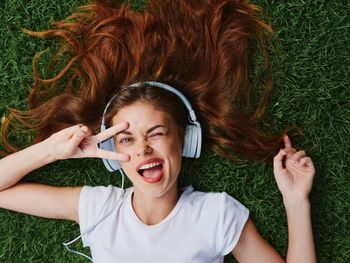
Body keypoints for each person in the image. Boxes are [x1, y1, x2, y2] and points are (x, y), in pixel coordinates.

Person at [0, 0, 317, 262]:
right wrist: (52, 151)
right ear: (112, 155)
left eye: (156, 133)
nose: (142, 149)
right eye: (126, 138)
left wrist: (295, 201)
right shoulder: (98, 209)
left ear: (186, 140)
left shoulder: (216, 214)